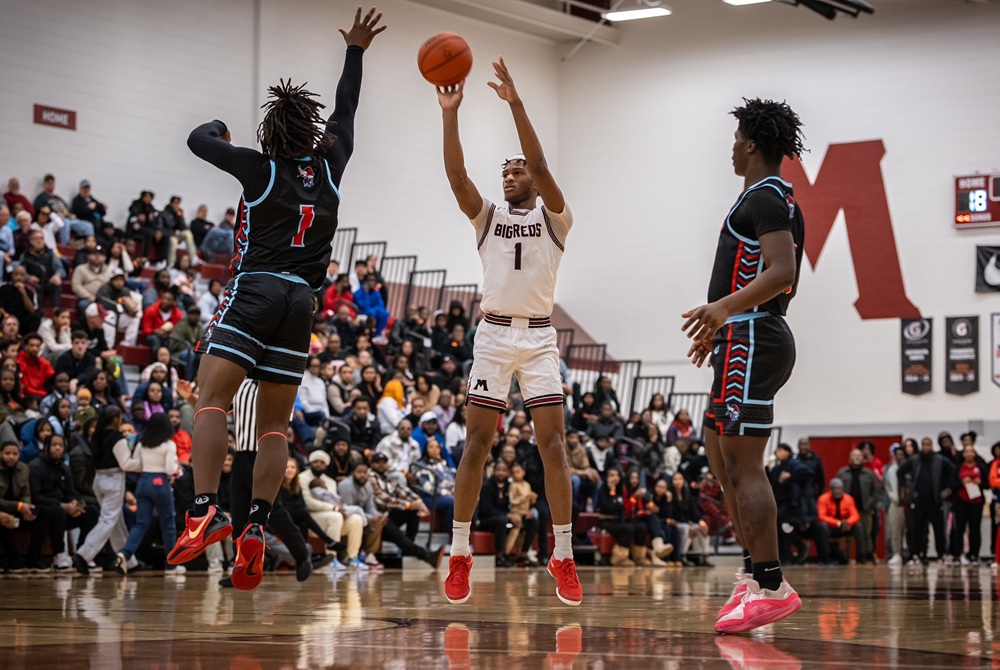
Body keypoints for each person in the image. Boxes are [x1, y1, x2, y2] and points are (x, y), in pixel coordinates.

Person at [166, 8, 385, 589]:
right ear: (311, 130)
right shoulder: (331, 163)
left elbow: (197, 139)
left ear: (270, 132)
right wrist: (355, 51)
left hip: (257, 289)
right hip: (302, 304)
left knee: (211, 400)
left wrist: (220, 127)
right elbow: (346, 107)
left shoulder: (257, 168)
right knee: (273, 429)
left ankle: (204, 511)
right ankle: (257, 526)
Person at [436, 57, 581, 605]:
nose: (510, 175)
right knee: (477, 443)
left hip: (540, 339)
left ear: (535, 181)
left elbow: (540, 161)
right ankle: (459, 553)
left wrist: (516, 103)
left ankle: (563, 554)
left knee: (553, 447)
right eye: (506, 171)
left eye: (517, 171)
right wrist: (450, 113)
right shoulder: (488, 218)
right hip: (494, 336)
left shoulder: (556, 220)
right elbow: (457, 178)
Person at [682, 98, 806, 633]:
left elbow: (782, 272)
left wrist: (725, 310)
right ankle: (754, 572)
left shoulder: (767, 198)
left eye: (736, 140)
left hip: (753, 336)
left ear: (752, 144)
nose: (731, 149)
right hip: (741, 336)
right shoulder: (767, 198)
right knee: (718, 454)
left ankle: (771, 586)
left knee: (744, 466)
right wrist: (720, 327)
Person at [71, 406, 143, 574]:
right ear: (116, 419)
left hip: (99, 479)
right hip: (113, 480)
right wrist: (144, 463)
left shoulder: (96, 435)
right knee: (108, 520)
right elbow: (126, 464)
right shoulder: (117, 438)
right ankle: (84, 554)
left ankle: (128, 561)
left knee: (116, 521)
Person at [114, 413, 182, 575]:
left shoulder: (142, 444)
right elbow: (170, 469)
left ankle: (125, 553)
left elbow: (136, 464)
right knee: (168, 524)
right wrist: (177, 466)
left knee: (140, 523)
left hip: (143, 482)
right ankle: (171, 565)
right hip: (160, 482)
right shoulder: (169, 445)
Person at [835, 449, 881, 564]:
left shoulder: (869, 473)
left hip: (864, 509)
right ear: (850, 457)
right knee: (846, 533)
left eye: (859, 455)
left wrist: (871, 504)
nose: (857, 457)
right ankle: (846, 556)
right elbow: (836, 489)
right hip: (846, 511)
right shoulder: (842, 473)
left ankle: (866, 555)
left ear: (862, 458)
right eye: (854, 455)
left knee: (866, 533)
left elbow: (876, 490)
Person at [818, 478, 867, 564]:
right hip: (831, 527)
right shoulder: (823, 499)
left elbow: (855, 515)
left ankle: (861, 556)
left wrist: (848, 522)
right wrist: (837, 523)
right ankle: (826, 556)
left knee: (858, 526)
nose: (837, 491)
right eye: (835, 489)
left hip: (845, 526)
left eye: (839, 489)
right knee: (822, 526)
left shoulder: (848, 499)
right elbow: (821, 516)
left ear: (843, 489)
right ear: (831, 490)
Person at [951, 444, 985, 565]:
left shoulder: (980, 467)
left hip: (976, 502)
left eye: (971, 451)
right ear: (963, 454)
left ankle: (974, 555)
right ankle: (958, 555)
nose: (969, 454)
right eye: (967, 452)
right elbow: (952, 486)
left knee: (975, 529)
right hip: (961, 501)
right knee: (959, 529)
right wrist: (962, 482)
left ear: (974, 454)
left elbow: (988, 484)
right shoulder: (958, 468)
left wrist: (980, 482)